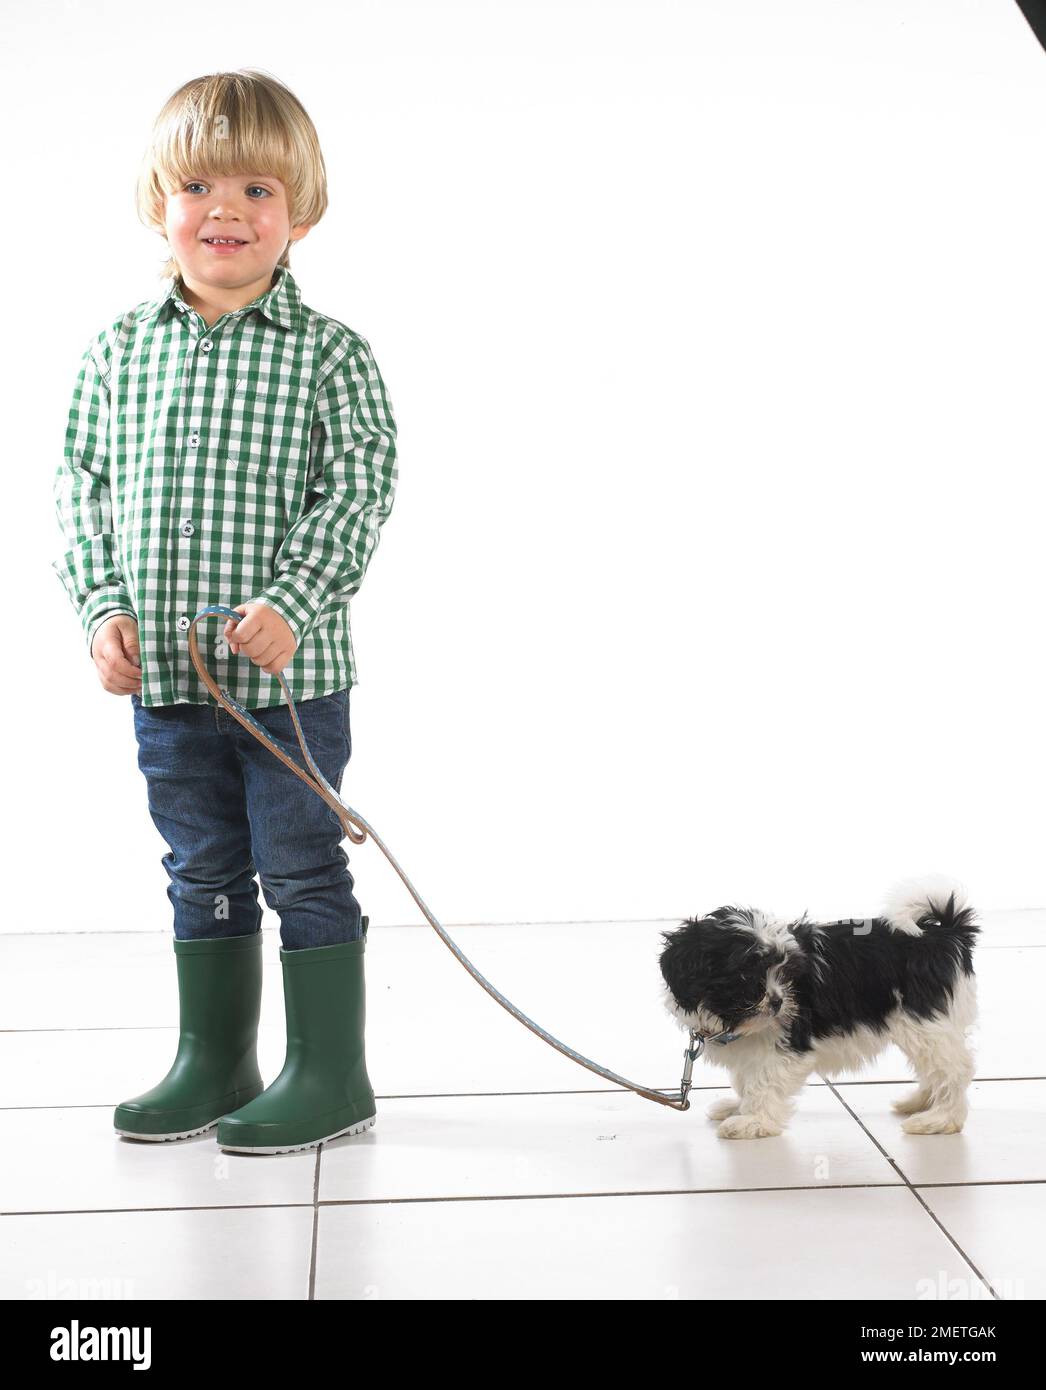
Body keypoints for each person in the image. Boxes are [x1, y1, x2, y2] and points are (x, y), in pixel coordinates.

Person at [50, 69, 398, 1156]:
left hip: (287, 686)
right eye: (198, 185)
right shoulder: (120, 350)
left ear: (300, 211)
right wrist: (102, 608)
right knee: (198, 865)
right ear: (159, 202)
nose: (227, 211)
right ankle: (216, 1056)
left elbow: (359, 486)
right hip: (165, 681)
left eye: (257, 188)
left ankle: (329, 1070)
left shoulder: (328, 353)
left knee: (298, 863)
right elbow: (81, 485)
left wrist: (293, 602)